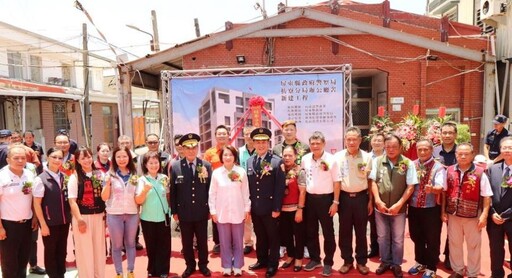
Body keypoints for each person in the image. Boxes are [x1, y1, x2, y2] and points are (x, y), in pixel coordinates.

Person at [370, 134, 417, 278]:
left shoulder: (408, 163)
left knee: (397, 238)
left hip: (399, 209)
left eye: (394, 147)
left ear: (400, 148)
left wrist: (399, 204)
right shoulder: (377, 161)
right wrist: (377, 200)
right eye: (388, 146)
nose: (391, 149)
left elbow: (410, 187)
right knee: (382, 237)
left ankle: (396, 264)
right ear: (384, 146)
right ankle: (385, 261)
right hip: (381, 207)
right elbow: (372, 182)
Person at [442, 143, 492, 278]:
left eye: (466, 154)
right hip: (453, 214)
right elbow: (445, 192)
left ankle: (472, 273)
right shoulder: (450, 170)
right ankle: (458, 270)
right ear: (456, 155)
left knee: (474, 246)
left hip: (473, 216)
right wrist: (443, 211)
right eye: (460, 154)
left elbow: (487, 195)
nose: (463, 156)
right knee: (454, 243)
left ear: (472, 155)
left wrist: (484, 215)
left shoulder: (480, 172)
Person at [170, 133, 213, 278]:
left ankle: (203, 265)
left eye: (194, 147)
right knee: (186, 242)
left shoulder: (205, 165)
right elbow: (173, 191)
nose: (191, 150)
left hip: (201, 211)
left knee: (202, 241)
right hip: (184, 212)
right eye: (188, 148)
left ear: (197, 148)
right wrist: (174, 211)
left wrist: (210, 210)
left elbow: (210, 190)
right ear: (182, 149)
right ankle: (189, 265)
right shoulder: (176, 167)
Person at [246, 128, 285, 278]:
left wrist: (276, 208)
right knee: (260, 236)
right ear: (253, 143)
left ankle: (272, 264)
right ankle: (261, 260)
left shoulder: (276, 161)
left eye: (263, 142)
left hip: (270, 208)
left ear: (268, 143)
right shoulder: (250, 161)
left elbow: (279, 187)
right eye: (258, 142)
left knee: (273, 237)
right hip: (256, 207)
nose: (261, 145)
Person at [301, 131, 341, 277]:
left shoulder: (332, 159)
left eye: (318, 143)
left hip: (326, 200)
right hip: (310, 200)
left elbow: (337, 182)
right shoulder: (305, 159)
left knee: (328, 233)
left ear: (324, 144)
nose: (315, 146)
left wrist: (335, 202)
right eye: (312, 143)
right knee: (310, 231)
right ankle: (315, 259)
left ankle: (328, 262)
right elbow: (303, 180)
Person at [334, 127, 372, 275]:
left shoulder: (367, 157)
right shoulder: (337, 157)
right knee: (344, 232)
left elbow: (370, 181)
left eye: (354, 139)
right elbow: (335, 181)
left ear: (360, 140)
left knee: (362, 231)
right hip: (344, 199)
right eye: (348, 139)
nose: (351, 142)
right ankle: (347, 260)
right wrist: (335, 201)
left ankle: (361, 261)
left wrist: (370, 201)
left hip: (361, 198)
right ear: (345, 140)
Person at [209, 145, 251, 277]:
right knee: (224, 241)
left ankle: (238, 265)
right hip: (222, 212)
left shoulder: (241, 172)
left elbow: (245, 192)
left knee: (238, 241)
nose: (227, 157)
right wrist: (213, 211)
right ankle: (227, 265)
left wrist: (246, 209)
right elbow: (212, 194)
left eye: (230, 155)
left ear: (235, 157)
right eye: (225, 155)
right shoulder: (216, 173)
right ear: (221, 157)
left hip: (238, 211)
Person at [272, 120, 311, 259]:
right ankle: (284, 246)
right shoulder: (276, 148)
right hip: (282, 189)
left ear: (295, 131)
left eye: (291, 129)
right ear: (282, 131)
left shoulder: (305, 147)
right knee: (283, 225)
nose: (288, 132)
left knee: (301, 222)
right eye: (286, 129)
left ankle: (304, 247)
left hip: (300, 185)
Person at [407, 139, 445, 278]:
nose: (422, 152)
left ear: (431, 150)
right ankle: (420, 262)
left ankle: (431, 266)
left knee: (432, 238)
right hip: (414, 207)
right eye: (420, 149)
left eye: (426, 149)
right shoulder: (412, 165)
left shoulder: (438, 167)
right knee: (416, 236)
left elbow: (441, 187)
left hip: (431, 209)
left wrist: (433, 189)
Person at [33, 147, 72, 278]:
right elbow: (37, 204)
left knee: (62, 251)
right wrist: (42, 224)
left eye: (60, 158)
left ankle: (61, 274)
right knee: (51, 252)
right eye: (54, 157)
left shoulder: (65, 177)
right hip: (49, 223)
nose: (57, 160)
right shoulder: (40, 179)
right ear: (47, 158)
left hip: (64, 221)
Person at [68, 146, 107, 278]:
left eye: (89, 157)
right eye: (83, 158)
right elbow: (72, 201)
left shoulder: (99, 174)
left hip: (99, 215)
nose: (87, 160)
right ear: (77, 161)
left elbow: (104, 196)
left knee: (99, 249)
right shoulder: (74, 177)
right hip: (83, 216)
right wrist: (79, 220)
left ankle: (99, 275)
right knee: (84, 250)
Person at [101, 146, 139, 278]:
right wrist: (107, 184)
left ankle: (130, 271)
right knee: (117, 246)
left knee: (130, 243)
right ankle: (119, 273)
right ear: (114, 159)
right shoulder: (109, 175)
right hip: (114, 214)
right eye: (118, 157)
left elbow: (138, 196)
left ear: (129, 158)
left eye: (124, 156)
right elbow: (104, 197)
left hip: (132, 213)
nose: (122, 159)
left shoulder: (134, 175)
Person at [0, 145, 37, 278]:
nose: (20, 161)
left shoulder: (29, 174)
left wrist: (35, 218)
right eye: (16, 158)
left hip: (27, 224)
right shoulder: (2, 176)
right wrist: (0, 227)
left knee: (23, 261)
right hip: (8, 226)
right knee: (9, 263)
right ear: (8, 160)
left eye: (23, 158)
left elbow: (33, 198)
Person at [135, 151, 171, 278]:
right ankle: (152, 269)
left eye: (156, 162)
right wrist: (145, 190)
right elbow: (138, 200)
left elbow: (168, 196)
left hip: (163, 217)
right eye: (150, 163)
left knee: (164, 245)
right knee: (151, 245)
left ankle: (163, 270)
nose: (154, 165)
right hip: (147, 218)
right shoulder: (142, 180)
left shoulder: (164, 178)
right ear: (145, 165)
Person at [433, 121, 458, 270]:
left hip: (454, 197)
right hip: (436, 196)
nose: (447, 135)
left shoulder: (460, 151)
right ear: (440, 134)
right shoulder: (434, 151)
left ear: (455, 135)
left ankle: (449, 256)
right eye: (445, 133)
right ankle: (434, 254)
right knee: (434, 229)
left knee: (452, 231)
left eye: (450, 133)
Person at [487, 136, 512, 278]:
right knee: (495, 249)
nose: (507, 150)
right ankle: (496, 274)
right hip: (494, 218)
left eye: (510, 147)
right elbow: (487, 193)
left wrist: (507, 214)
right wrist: (491, 212)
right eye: (504, 148)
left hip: (511, 218)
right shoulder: (493, 169)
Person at [278, 145, 307, 272]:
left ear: (295, 157)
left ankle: (299, 258)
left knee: (298, 235)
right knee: (286, 235)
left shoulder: (300, 171)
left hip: (296, 209)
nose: (287, 158)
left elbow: (302, 192)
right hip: (282, 210)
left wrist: (300, 209)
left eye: (290, 155)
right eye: (285, 155)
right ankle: (290, 256)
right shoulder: (279, 170)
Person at [203, 125, 230, 254]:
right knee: (216, 215)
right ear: (215, 136)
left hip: (230, 188)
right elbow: (204, 171)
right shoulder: (209, 153)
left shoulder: (233, 150)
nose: (221, 136)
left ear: (228, 135)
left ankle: (230, 241)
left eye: (224, 133)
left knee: (230, 213)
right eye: (219, 134)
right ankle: (218, 242)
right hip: (215, 189)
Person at [118, 135, 143, 250]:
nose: (125, 145)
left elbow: (141, 174)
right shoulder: (116, 158)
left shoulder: (138, 158)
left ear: (131, 144)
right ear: (119, 145)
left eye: (127, 142)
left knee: (135, 215)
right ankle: (122, 242)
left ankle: (135, 240)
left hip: (134, 191)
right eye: (122, 143)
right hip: (120, 193)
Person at [238, 126, 256, 255]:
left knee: (261, 219)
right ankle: (248, 242)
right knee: (246, 218)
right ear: (243, 135)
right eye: (246, 134)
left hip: (259, 189)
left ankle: (262, 242)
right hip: (243, 190)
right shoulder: (238, 152)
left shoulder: (262, 149)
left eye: (251, 134)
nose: (249, 136)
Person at [368, 133, 385, 259]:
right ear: (371, 142)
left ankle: (386, 249)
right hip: (369, 194)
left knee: (385, 223)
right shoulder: (366, 157)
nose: (377, 142)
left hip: (385, 193)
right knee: (373, 222)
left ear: (384, 143)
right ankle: (374, 247)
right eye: (375, 140)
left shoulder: (389, 156)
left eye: (380, 140)